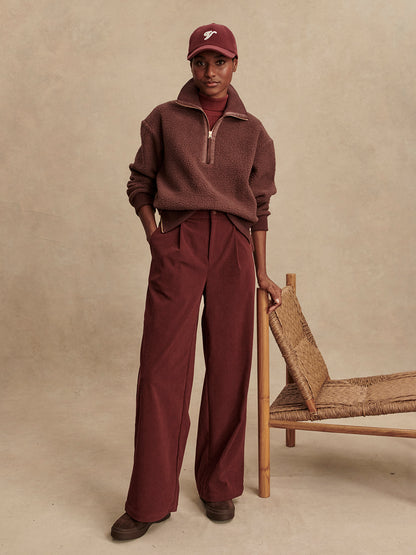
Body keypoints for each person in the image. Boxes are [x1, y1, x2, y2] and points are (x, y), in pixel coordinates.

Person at [111, 23, 281, 541]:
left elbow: (260, 207)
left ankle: (218, 484)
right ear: (190, 65)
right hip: (179, 242)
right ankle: (150, 499)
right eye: (201, 61)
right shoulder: (162, 119)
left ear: (235, 64)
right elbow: (140, 183)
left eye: (220, 61)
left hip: (233, 248)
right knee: (160, 371)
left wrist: (262, 272)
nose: (210, 71)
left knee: (230, 367)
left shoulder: (254, 131)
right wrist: (156, 238)